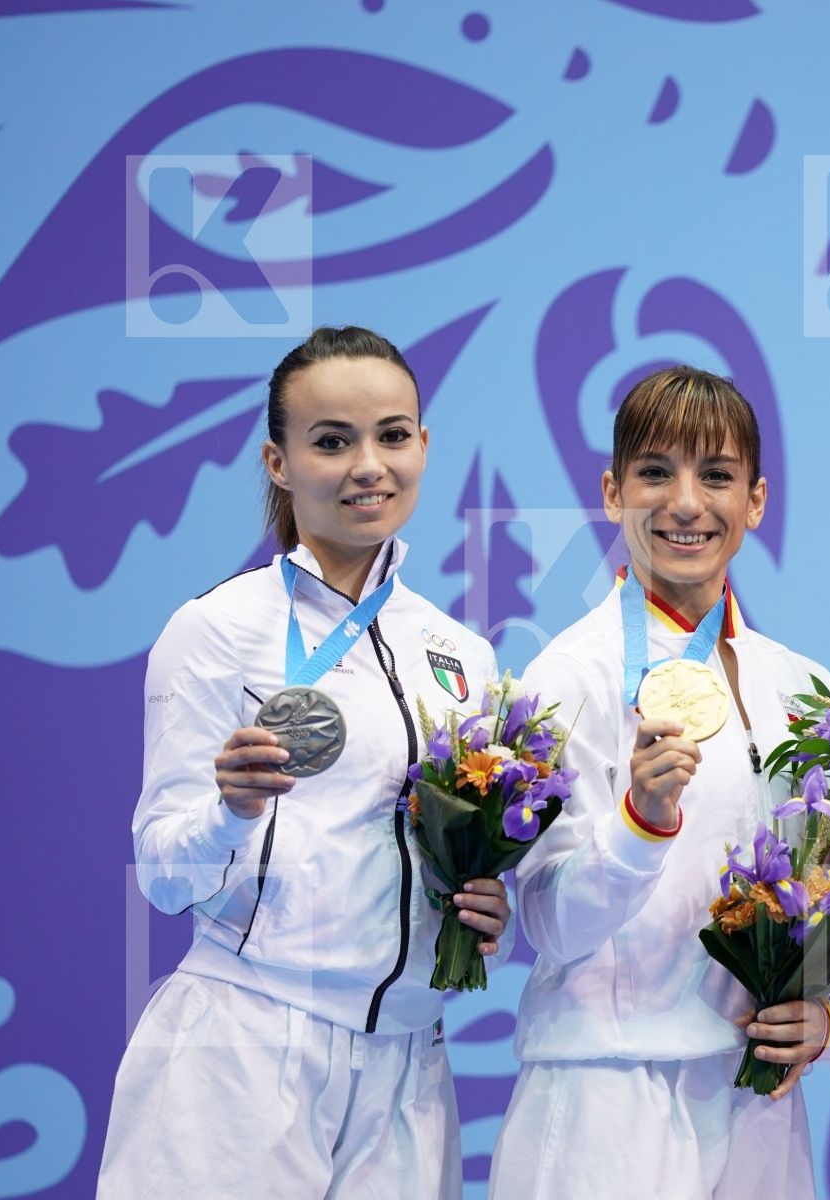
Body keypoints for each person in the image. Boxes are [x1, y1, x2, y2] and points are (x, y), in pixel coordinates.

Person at [98, 326, 511, 1199]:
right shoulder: (217, 631)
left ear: (424, 445)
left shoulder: (462, 654)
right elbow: (165, 875)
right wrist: (229, 810)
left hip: (408, 1064)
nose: (369, 465)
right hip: (242, 1052)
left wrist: (482, 900)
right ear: (278, 462)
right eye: (332, 441)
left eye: (393, 435)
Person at [489, 366, 830, 1199]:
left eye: (716, 475)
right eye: (656, 472)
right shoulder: (569, 675)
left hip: (758, 1101)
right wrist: (641, 821)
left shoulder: (796, 686)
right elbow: (548, 922)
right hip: (608, 1096)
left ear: (756, 500)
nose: (686, 503)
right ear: (613, 492)